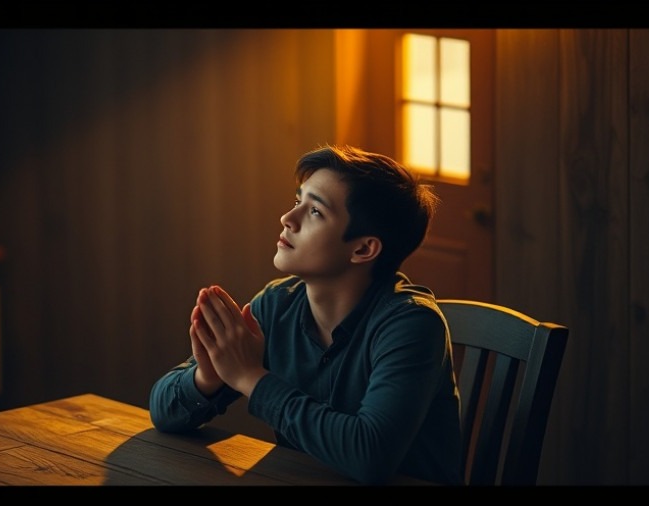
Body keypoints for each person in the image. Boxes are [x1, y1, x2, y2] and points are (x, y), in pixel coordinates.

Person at [148, 144, 463, 485]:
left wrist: (250, 377)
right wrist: (209, 378)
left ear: (363, 249)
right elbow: (163, 413)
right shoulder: (277, 304)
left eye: (315, 211)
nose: (288, 218)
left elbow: (368, 455)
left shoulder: (412, 324)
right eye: (298, 200)